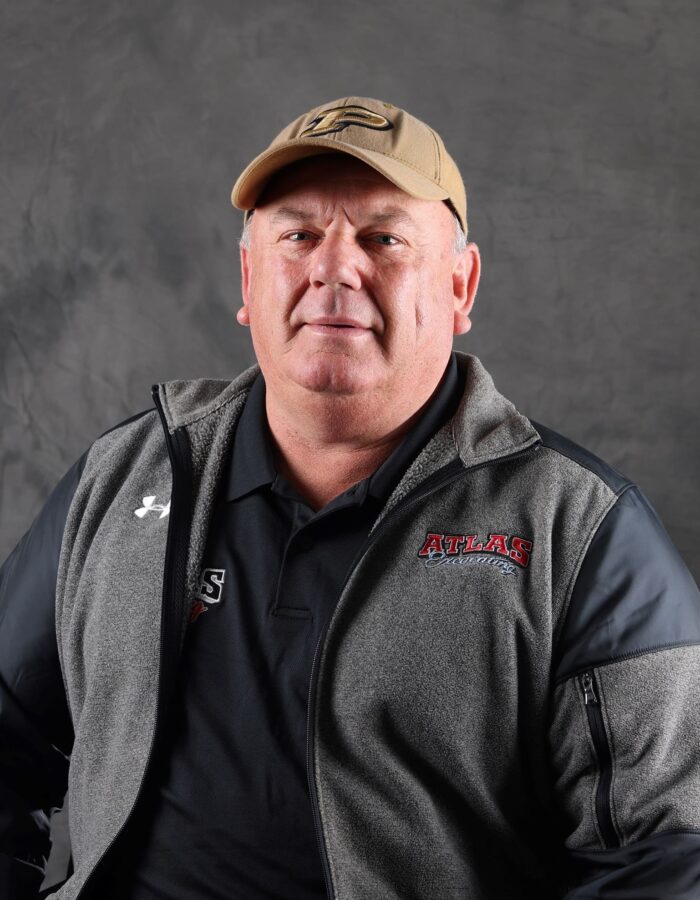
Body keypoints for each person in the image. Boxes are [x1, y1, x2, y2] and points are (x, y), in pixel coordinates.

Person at [1, 96, 699, 900]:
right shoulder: (126, 479)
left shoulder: (579, 531)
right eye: (297, 235)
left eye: (383, 238)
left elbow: (670, 848)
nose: (334, 267)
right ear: (249, 276)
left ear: (460, 286)